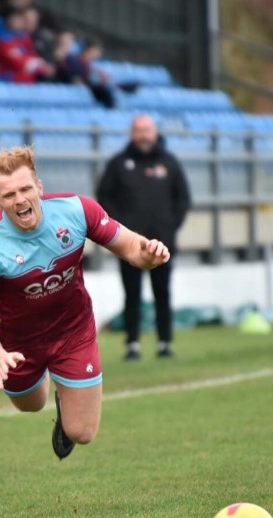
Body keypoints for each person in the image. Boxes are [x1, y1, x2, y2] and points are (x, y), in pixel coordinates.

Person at [0, 146, 170, 459]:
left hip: (73, 329)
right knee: (29, 404)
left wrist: (150, 255)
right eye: (8, 196)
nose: (19, 200)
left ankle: (65, 405)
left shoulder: (76, 210)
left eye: (25, 189)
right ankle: (50, 385)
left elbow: (132, 249)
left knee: (82, 433)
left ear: (39, 187)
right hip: (18, 345)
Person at [96, 114, 191, 360]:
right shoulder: (118, 164)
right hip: (128, 245)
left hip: (163, 243)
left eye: (147, 130)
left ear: (155, 131)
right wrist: (118, 233)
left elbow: (183, 199)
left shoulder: (169, 162)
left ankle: (164, 342)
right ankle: (132, 343)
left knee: (162, 292)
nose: (143, 135)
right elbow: (104, 198)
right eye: (138, 130)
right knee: (131, 294)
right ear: (131, 133)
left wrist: (170, 227)